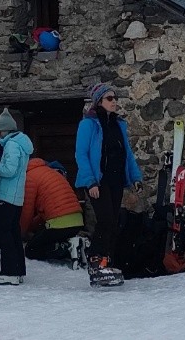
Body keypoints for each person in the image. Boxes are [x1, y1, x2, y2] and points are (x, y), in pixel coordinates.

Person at [74, 83, 142, 273]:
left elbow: (127, 154)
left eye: (115, 98)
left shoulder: (118, 125)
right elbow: (81, 154)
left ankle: (107, 261)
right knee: (105, 220)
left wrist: (135, 177)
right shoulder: (88, 124)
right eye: (109, 98)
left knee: (113, 221)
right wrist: (90, 181)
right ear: (99, 102)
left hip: (116, 180)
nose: (114, 102)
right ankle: (95, 257)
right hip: (98, 181)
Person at [0, 108, 34, 284]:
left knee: (5, 234)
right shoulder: (21, 143)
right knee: (13, 233)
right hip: (16, 197)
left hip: (7, 196)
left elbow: (9, 169)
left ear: (5, 130)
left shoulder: (12, 145)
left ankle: (9, 271)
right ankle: (17, 270)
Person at [21, 156, 84, 260]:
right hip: (77, 220)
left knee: (31, 250)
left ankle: (66, 249)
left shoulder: (29, 177)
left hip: (59, 224)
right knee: (50, 237)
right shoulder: (51, 172)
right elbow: (47, 211)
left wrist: (21, 232)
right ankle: (74, 246)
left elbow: (26, 212)